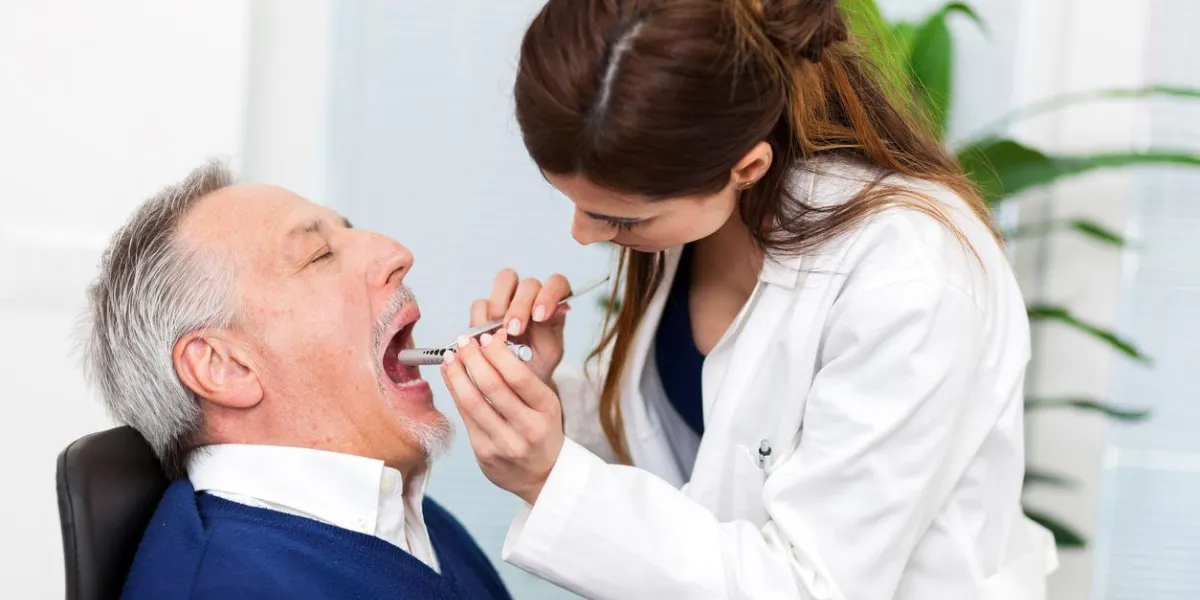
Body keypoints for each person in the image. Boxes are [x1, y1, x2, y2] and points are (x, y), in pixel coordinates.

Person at [437, 0, 1057, 599]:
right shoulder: (702, 214)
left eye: (619, 219)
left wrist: (549, 477)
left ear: (748, 167)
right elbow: (692, 447)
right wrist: (547, 401)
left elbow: (808, 586)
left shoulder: (910, 279)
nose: (583, 233)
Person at [78, 162, 512, 600]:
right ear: (224, 367)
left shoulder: (411, 518)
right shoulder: (227, 589)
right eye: (319, 254)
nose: (397, 254)